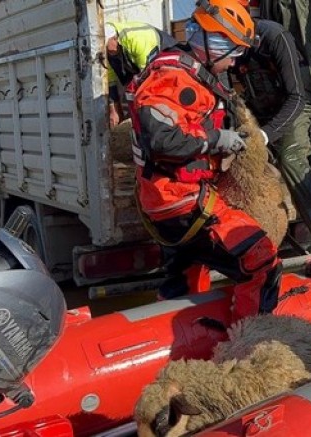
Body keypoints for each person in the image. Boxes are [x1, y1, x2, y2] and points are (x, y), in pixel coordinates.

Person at [127, 0, 281, 320]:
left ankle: (176, 326)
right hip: (179, 201)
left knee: (186, 272)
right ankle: (251, 343)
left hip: (166, 198)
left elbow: (180, 129)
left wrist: (220, 145)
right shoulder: (174, 78)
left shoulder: (184, 70)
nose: (235, 63)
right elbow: (159, 140)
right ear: (215, 42)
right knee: (261, 261)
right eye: (234, 53)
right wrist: (215, 140)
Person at [230, 10, 311, 277]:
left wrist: (266, 135)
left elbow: (297, 97)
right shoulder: (222, 45)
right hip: (261, 112)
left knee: (290, 159)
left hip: (296, 109)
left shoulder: (274, 37)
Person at [256, 0, 311, 95]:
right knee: (273, 64)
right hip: (270, 6)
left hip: (301, 9)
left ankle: (306, 106)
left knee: (304, 74)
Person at [104, 21, 177, 127]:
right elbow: (111, 82)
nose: (106, 50)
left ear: (115, 39)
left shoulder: (137, 40)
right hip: (133, 54)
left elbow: (146, 79)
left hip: (162, 48)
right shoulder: (109, 50)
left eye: (107, 47)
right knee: (130, 87)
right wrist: (114, 110)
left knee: (157, 90)